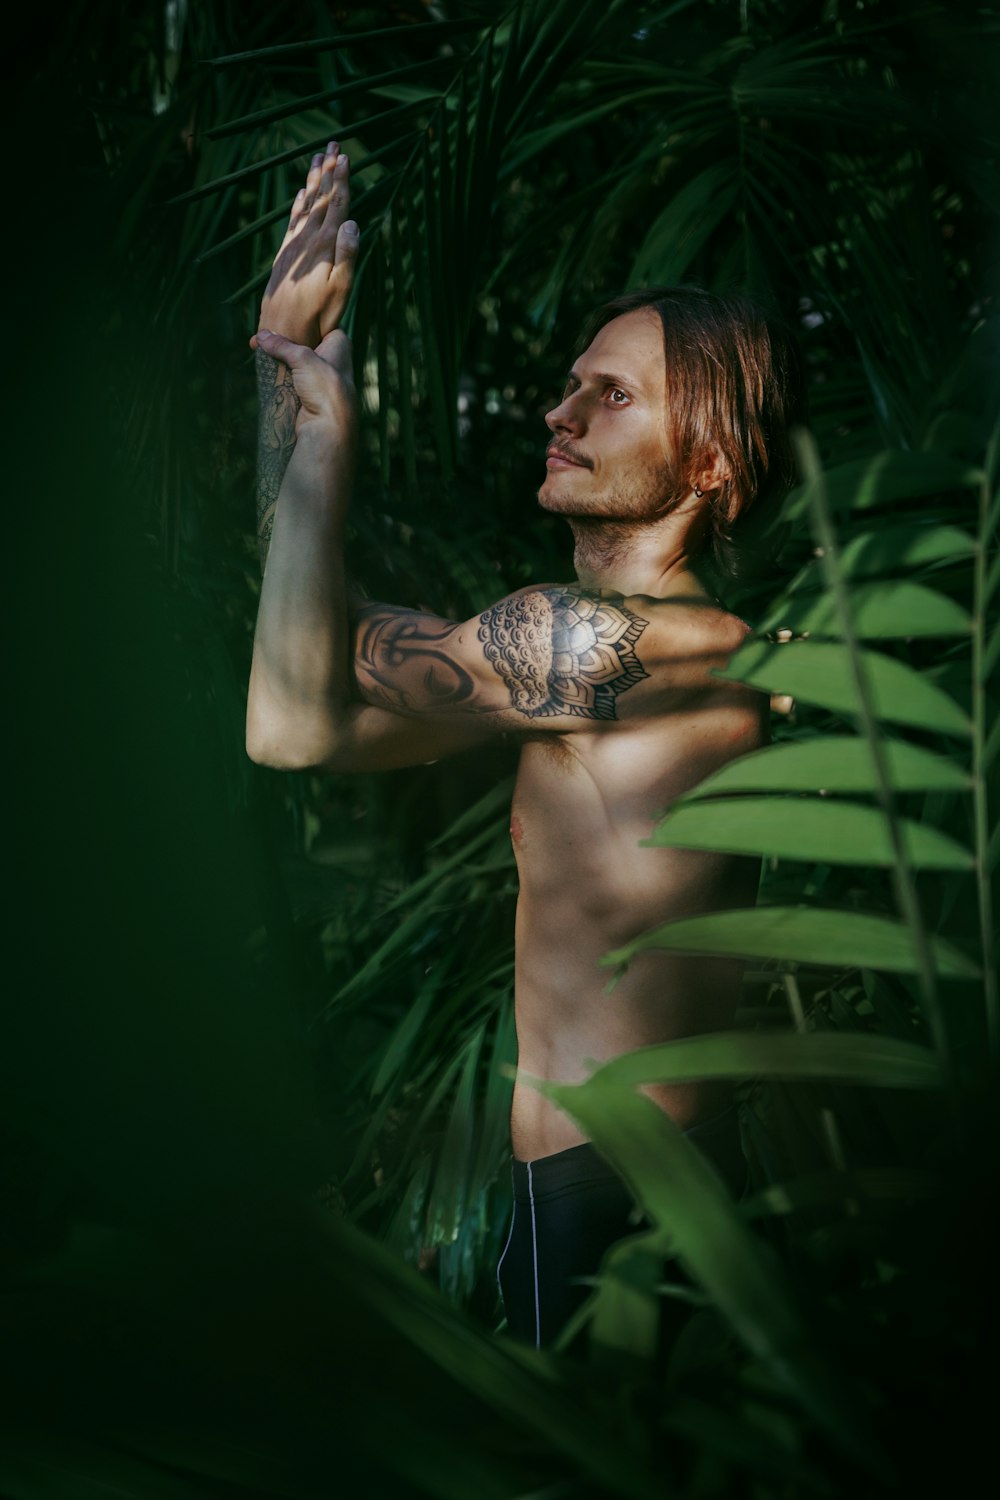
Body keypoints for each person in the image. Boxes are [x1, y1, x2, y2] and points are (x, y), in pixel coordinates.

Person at [246, 142, 801, 1350]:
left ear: (711, 462)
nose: (562, 412)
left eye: (614, 395)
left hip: (640, 1207)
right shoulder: (552, 659)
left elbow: (286, 721)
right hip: (567, 1200)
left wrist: (326, 444)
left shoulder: (676, 648)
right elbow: (310, 673)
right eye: (571, 385)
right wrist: (285, 373)